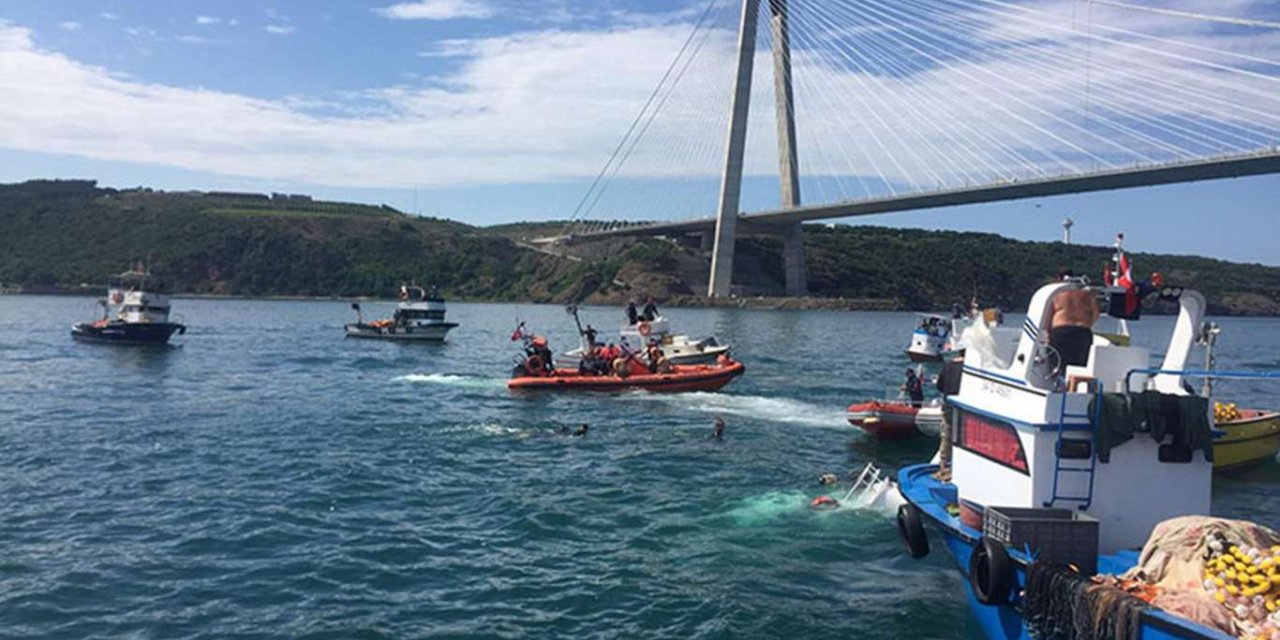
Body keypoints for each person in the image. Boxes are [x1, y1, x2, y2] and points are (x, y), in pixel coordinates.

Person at [1048, 285, 1100, 375]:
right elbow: (1096, 313)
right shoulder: (1086, 294)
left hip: (1061, 329)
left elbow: (1049, 315)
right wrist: (1088, 324)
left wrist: (1048, 331)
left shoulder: (1057, 293)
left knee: (1058, 363)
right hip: (1082, 330)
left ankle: (1059, 385)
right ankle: (1074, 386)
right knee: (1080, 366)